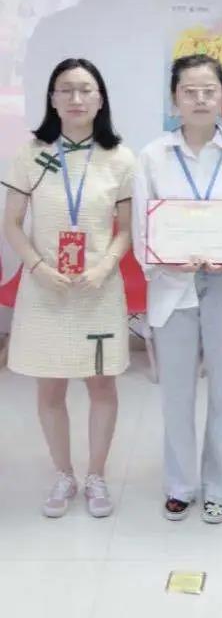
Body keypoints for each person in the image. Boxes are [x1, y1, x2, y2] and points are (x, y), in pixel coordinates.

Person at [133, 54, 222, 524]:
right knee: (175, 394)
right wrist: (165, 259)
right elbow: (141, 230)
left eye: (208, 91)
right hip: (172, 286)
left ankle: (220, 486)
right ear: (174, 99)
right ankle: (180, 485)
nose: (199, 99)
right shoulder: (153, 156)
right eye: (189, 91)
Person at [2, 58, 135, 518]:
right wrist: (37, 266)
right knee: (50, 390)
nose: (76, 99)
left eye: (85, 89)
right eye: (66, 89)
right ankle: (63, 474)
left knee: (102, 386)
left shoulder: (120, 158)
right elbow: (12, 223)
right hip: (46, 291)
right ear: (52, 99)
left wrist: (105, 267)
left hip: (97, 290)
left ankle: (96, 475)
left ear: (100, 99)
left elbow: (125, 229)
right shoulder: (31, 154)